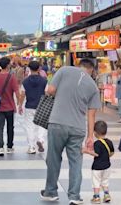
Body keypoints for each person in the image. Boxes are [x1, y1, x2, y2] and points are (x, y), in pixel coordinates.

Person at [41, 58, 101, 205]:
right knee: (75, 162)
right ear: (91, 70)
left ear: (78, 65)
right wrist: (90, 137)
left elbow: (51, 90)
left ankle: (51, 192)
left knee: (53, 158)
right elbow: (92, 114)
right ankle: (74, 196)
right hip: (78, 128)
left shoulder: (64, 70)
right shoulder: (93, 86)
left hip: (57, 123)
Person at [0, 57, 20, 157]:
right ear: (7, 65)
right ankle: (9, 146)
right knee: (10, 127)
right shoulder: (12, 77)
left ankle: (0, 147)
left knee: (0, 126)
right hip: (10, 107)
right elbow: (17, 92)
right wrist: (19, 103)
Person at [18, 61, 47, 154]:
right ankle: (41, 140)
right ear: (39, 68)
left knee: (30, 127)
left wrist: (19, 105)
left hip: (29, 106)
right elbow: (47, 93)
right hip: (42, 106)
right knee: (42, 125)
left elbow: (22, 94)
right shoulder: (44, 81)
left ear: (29, 69)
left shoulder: (25, 81)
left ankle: (31, 147)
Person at [90, 121, 114, 204]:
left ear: (95, 133)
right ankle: (106, 195)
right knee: (105, 181)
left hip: (97, 167)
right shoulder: (109, 142)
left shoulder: (97, 143)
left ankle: (96, 197)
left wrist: (87, 151)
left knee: (96, 182)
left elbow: (96, 154)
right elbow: (112, 152)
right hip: (107, 166)